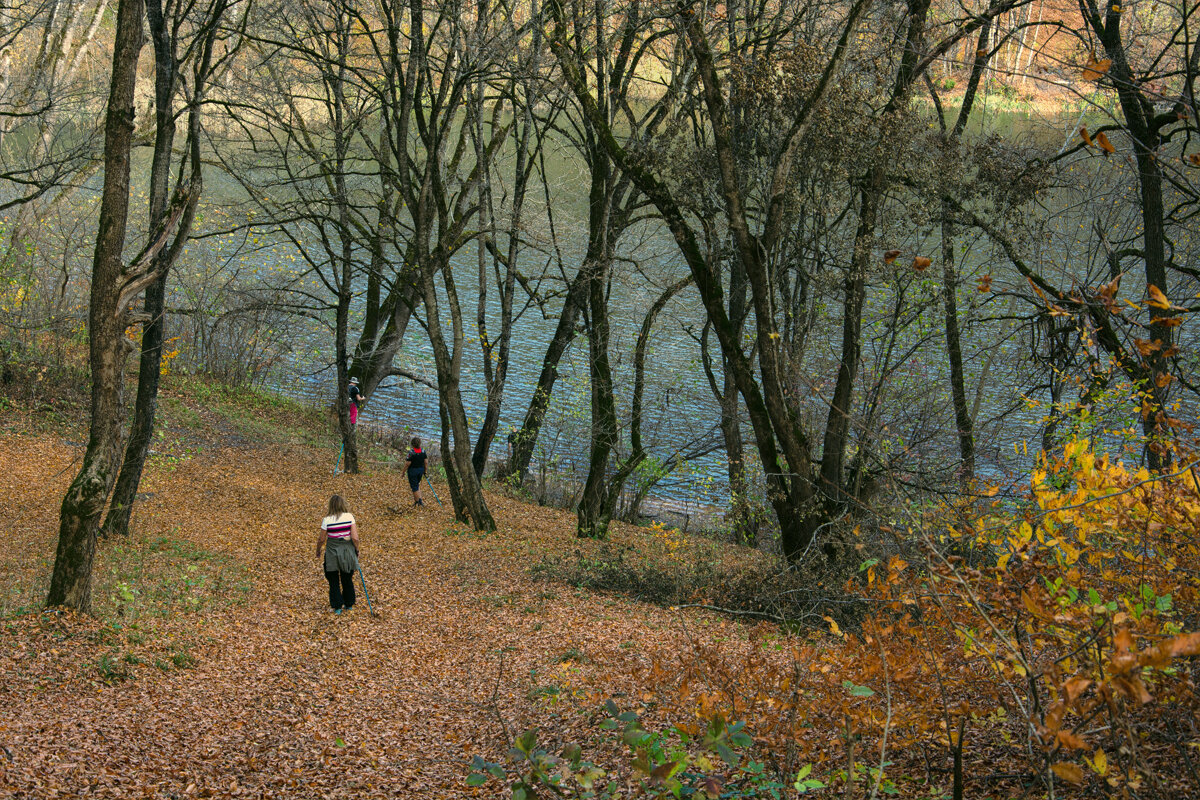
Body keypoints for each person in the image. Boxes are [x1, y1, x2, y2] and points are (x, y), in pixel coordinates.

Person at [316, 494, 359, 613]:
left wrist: (318, 550)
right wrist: (356, 549)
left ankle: (337, 606)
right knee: (347, 577)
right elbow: (355, 537)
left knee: (333, 579)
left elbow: (321, 539)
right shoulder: (349, 517)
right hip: (347, 551)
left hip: (332, 552)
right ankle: (349, 603)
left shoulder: (327, 519)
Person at [405, 437, 427, 506]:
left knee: (414, 487)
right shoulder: (423, 451)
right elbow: (426, 462)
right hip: (420, 470)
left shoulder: (411, 452)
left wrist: (403, 472)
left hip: (413, 471)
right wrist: (425, 470)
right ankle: (418, 500)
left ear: (412, 444)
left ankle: (418, 501)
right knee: (416, 485)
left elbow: (407, 463)